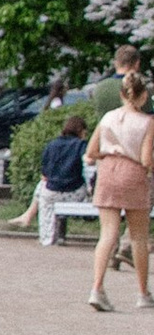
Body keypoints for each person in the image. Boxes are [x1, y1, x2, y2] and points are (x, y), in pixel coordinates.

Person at [84, 66, 154, 313]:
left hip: (108, 172)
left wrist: (109, 152)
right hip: (133, 174)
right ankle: (143, 292)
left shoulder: (108, 118)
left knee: (107, 235)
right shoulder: (147, 122)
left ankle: (97, 287)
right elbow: (146, 159)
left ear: (122, 95)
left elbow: (91, 152)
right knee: (138, 237)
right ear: (143, 96)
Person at [35, 113, 90, 245]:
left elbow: (45, 173)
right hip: (74, 192)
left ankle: (47, 237)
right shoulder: (81, 145)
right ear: (81, 131)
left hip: (52, 192)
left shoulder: (51, 145)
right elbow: (88, 164)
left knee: (42, 189)